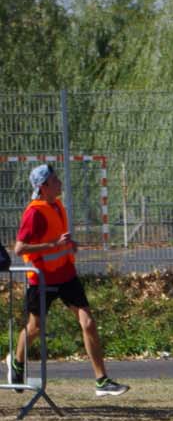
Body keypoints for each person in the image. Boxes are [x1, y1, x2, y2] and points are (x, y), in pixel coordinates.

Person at [8, 163, 129, 396]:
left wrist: (69, 246)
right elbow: (19, 248)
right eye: (55, 181)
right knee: (34, 329)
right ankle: (17, 362)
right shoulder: (34, 213)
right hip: (41, 279)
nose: (60, 183)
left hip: (66, 275)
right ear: (43, 187)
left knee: (89, 324)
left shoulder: (57, 205)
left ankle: (101, 381)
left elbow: (59, 241)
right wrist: (54, 245)